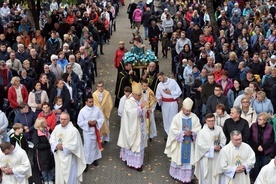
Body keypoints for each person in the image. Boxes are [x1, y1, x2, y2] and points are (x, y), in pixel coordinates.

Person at [164, 97, 201, 183]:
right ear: (183, 108)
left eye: (189, 110)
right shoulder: (177, 117)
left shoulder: (194, 117)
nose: (188, 112)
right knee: (178, 158)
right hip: (180, 143)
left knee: (189, 160)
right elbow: (173, 130)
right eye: (186, 110)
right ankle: (176, 175)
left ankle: (188, 177)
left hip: (190, 143)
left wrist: (192, 132)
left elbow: (198, 128)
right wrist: (183, 133)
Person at [117, 82, 147, 172]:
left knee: (139, 144)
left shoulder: (140, 100)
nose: (140, 96)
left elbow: (142, 110)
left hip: (139, 126)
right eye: (138, 95)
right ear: (133, 94)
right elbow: (131, 113)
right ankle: (131, 162)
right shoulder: (128, 102)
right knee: (132, 144)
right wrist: (140, 108)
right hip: (131, 127)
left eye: (140, 95)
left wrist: (145, 110)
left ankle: (138, 163)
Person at [49, 112, 86, 184]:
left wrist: (63, 147)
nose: (62, 121)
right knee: (60, 176)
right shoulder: (57, 128)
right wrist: (56, 145)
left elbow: (75, 145)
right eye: (61, 119)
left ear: (69, 119)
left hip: (69, 158)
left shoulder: (74, 131)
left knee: (70, 177)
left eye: (64, 119)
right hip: (59, 157)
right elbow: (51, 139)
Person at [194, 113, 226, 184]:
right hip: (207, 158)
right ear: (206, 121)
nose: (211, 122)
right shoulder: (202, 132)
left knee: (217, 176)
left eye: (213, 120)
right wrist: (212, 149)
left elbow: (223, 139)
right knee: (207, 177)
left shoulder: (219, 129)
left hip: (217, 156)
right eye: (209, 121)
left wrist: (220, 146)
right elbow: (200, 146)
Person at [77, 94, 104, 171]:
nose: (92, 103)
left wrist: (96, 121)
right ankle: (86, 162)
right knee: (88, 147)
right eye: (90, 102)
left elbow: (101, 118)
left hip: (95, 130)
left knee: (95, 145)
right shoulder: (82, 111)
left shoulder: (97, 109)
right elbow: (79, 122)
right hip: (87, 132)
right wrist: (88, 123)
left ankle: (95, 159)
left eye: (92, 101)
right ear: (86, 102)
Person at [249, 112, 274, 182]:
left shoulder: (270, 127)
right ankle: (255, 181)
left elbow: (271, 140)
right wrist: (257, 147)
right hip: (255, 150)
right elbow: (250, 138)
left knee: (264, 168)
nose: (258, 121)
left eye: (260, 119)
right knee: (255, 168)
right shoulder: (253, 126)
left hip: (265, 151)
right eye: (258, 119)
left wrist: (263, 147)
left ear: (265, 121)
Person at [156, 72, 181, 137]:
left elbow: (179, 91)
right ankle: (168, 133)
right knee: (166, 118)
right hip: (164, 104)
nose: (160, 80)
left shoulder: (173, 82)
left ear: (164, 76)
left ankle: (174, 133)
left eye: (160, 78)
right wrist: (159, 99)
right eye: (159, 79)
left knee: (173, 118)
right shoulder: (159, 85)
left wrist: (170, 92)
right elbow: (158, 94)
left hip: (173, 103)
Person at [32, 117, 54, 184]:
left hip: (50, 152)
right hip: (42, 154)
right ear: (40, 124)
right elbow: (37, 145)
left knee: (51, 166)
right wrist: (49, 145)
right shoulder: (36, 133)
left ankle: (50, 179)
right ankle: (45, 180)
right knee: (44, 168)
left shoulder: (48, 129)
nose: (46, 123)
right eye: (44, 122)